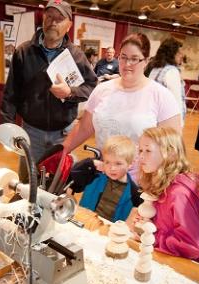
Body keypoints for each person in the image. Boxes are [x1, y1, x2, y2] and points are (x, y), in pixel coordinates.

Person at [62, 33, 182, 180]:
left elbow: (172, 148)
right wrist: (60, 153)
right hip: (103, 173)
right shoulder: (102, 90)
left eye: (134, 59)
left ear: (146, 61)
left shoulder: (162, 96)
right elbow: (84, 127)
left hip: (140, 181)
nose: (127, 64)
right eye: (123, 57)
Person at [1, 0, 97, 181]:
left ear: (69, 25)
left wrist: (70, 92)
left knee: (57, 183)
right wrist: (8, 126)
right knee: (27, 182)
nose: (53, 22)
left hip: (63, 134)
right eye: (49, 16)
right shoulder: (23, 52)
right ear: (43, 18)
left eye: (59, 19)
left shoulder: (76, 56)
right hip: (31, 132)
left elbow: (91, 86)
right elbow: (11, 92)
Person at [133, 127, 199, 265]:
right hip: (161, 259)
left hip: (181, 270)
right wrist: (146, 222)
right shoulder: (158, 182)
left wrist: (153, 237)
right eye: (140, 150)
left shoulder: (178, 194)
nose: (141, 156)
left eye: (148, 150)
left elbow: (192, 247)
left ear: (171, 154)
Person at [76, 135, 142, 222]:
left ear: (131, 164)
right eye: (107, 162)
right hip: (85, 223)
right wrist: (91, 162)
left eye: (118, 163)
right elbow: (75, 173)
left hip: (110, 232)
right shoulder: (95, 177)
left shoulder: (134, 193)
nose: (112, 168)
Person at [145, 37, 187, 124]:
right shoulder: (171, 71)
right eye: (179, 52)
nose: (181, 55)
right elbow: (176, 101)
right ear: (171, 53)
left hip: (151, 119)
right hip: (167, 122)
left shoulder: (154, 68)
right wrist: (179, 124)